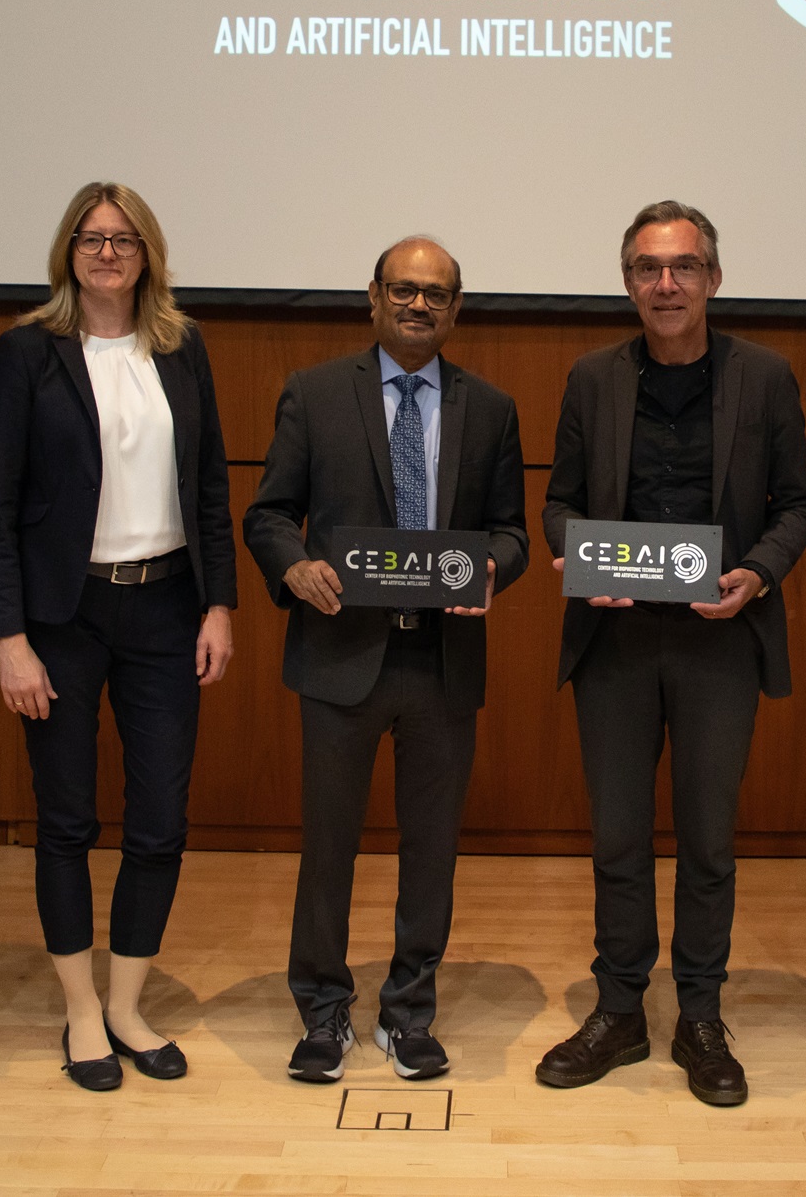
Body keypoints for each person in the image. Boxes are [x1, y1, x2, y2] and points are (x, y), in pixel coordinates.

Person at [534, 201, 806, 1108]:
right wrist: (579, 560)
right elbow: (559, 503)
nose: (666, 284)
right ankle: (620, 1009)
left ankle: (700, 1014)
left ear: (713, 279)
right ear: (628, 284)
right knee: (618, 836)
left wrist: (758, 574)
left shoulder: (765, 377)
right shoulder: (593, 378)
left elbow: (798, 505)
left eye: (684, 267)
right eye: (648, 269)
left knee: (707, 840)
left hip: (717, 640)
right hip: (615, 640)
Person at [243, 237, 529, 1084]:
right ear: (373, 297)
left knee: (431, 849)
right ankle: (322, 1011)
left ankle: (409, 1014)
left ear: (456, 308)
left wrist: (492, 568)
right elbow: (269, 515)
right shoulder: (314, 393)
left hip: (441, 661)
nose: (418, 305)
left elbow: (512, 532)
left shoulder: (492, 408)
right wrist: (294, 568)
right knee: (328, 847)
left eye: (435, 293)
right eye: (403, 289)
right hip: (341, 654)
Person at [0, 182, 237, 1092]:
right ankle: (80, 1009)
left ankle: (126, 1005)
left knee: (160, 821)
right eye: (91, 239)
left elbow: (211, 485)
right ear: (68, 251)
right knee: (66, 820)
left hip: (166, 610)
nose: (107, 253)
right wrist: (7, 639)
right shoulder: (26, 352)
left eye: (124, 240)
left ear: (147, 253)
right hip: (62, 619)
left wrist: (219, 606)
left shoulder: (181, 345)